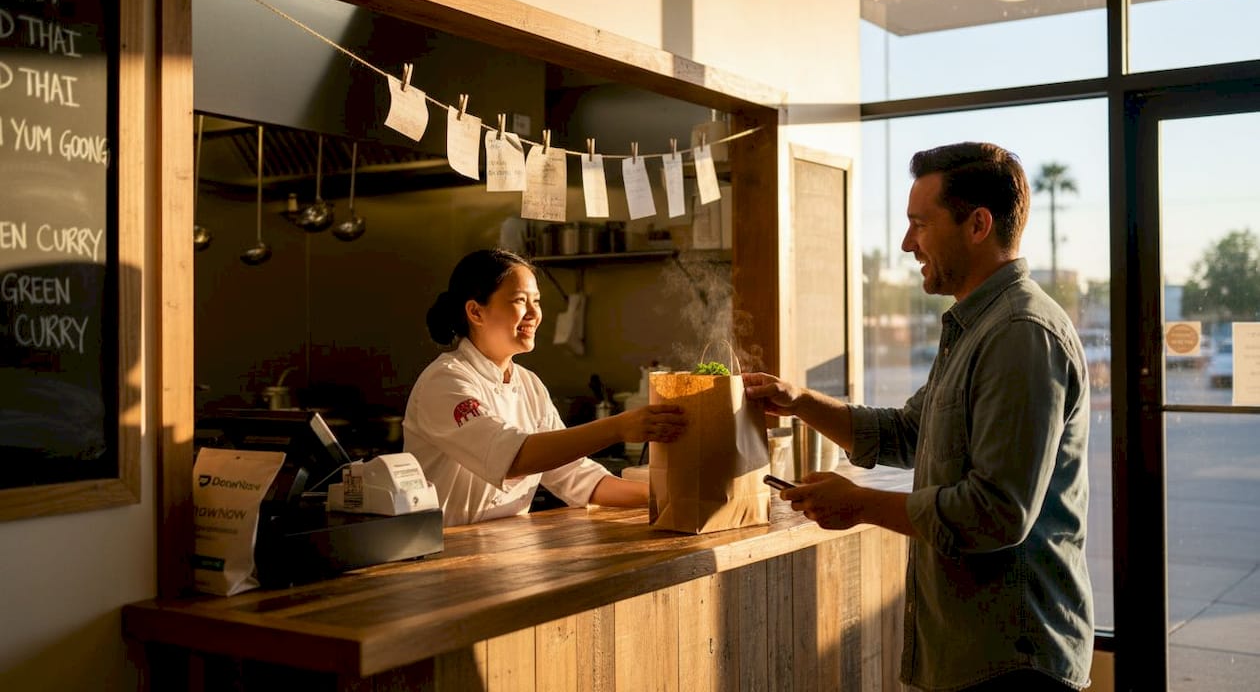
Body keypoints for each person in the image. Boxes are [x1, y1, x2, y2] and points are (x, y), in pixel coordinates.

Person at [745, 142, 1093, 692]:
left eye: (920, 224)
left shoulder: (1020, 334)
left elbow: (996, 512)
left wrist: (859, 504)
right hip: (968, 653)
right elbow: (909, 433)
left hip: (1011, 660)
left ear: (978, 225)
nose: (907, 244)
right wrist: (800, 401)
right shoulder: (977, 326)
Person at [403, 248, 686, 527]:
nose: (533, 314)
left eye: (536, 301)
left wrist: (667, 495)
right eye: (519, 300)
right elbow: (513, 458)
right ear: (476, 312)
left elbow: (575, 475)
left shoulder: (529, 384)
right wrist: (618, 427)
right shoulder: (445, 381)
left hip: (506, 546)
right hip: (443, 547)